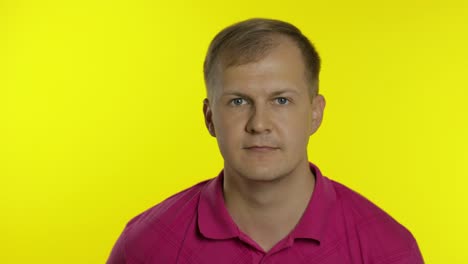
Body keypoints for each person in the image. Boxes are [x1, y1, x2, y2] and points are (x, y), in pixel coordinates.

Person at [107, 18, 424, 263]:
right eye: (238, 102)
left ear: (315, 113)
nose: (259, 124)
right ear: (209, 117)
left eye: (281, 101)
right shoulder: (145, 245)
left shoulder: (387, 248)